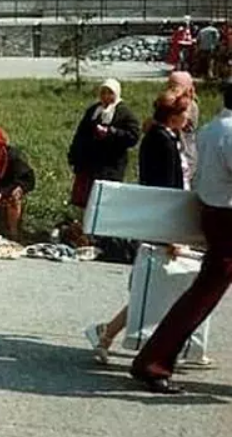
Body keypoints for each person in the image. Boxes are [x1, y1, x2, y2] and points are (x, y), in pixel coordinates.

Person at [130, 82, 232, 395]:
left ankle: (154, 360)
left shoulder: (213, 128)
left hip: (215, 212)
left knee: (202, 293)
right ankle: (153, 361)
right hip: (229, 214)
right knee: (202, 293)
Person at [85, 92, 191, 365]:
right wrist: (173, 234)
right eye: (185, 111)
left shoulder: (166, 136)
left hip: (163, 222)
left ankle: (107, 333)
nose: (189, 116)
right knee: (154, 288)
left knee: (155, 288)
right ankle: (110, 334)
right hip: (162, 223)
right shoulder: (161, 141)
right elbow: (166, 190)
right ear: (173, 115)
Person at [68, 79, 141, 209]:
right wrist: (74, 155)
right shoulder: (94, 110)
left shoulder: (124, 113)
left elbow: (133, 136)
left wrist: (111, 132)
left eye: (110, 93)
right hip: (89, 165)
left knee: (105, 201)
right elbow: (81, 134)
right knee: (86, 200)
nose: (106, 96)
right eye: (103, 92)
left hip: (110, 166)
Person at [166, 71, 199, 187]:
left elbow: (185, 125)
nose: (172, 88)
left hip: (185, 149)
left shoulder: (191, 105)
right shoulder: (167, 102)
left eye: (176, 85)